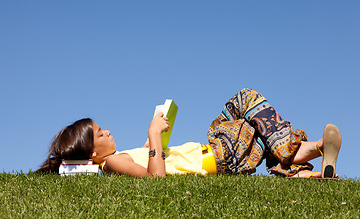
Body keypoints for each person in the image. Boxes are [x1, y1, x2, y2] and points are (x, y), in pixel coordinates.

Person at [37, 88, 342, 178]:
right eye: (101, 134)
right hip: (219, 158)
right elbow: (156, 179)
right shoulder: (112, 164)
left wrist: (151, 142)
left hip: (221, 154)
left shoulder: (119, 158)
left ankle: (299, 162)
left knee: (252, 121)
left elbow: (152, 162)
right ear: (92, 153)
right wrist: (153, 134)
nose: (109, 132)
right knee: (247, 101)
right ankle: (299, 152)